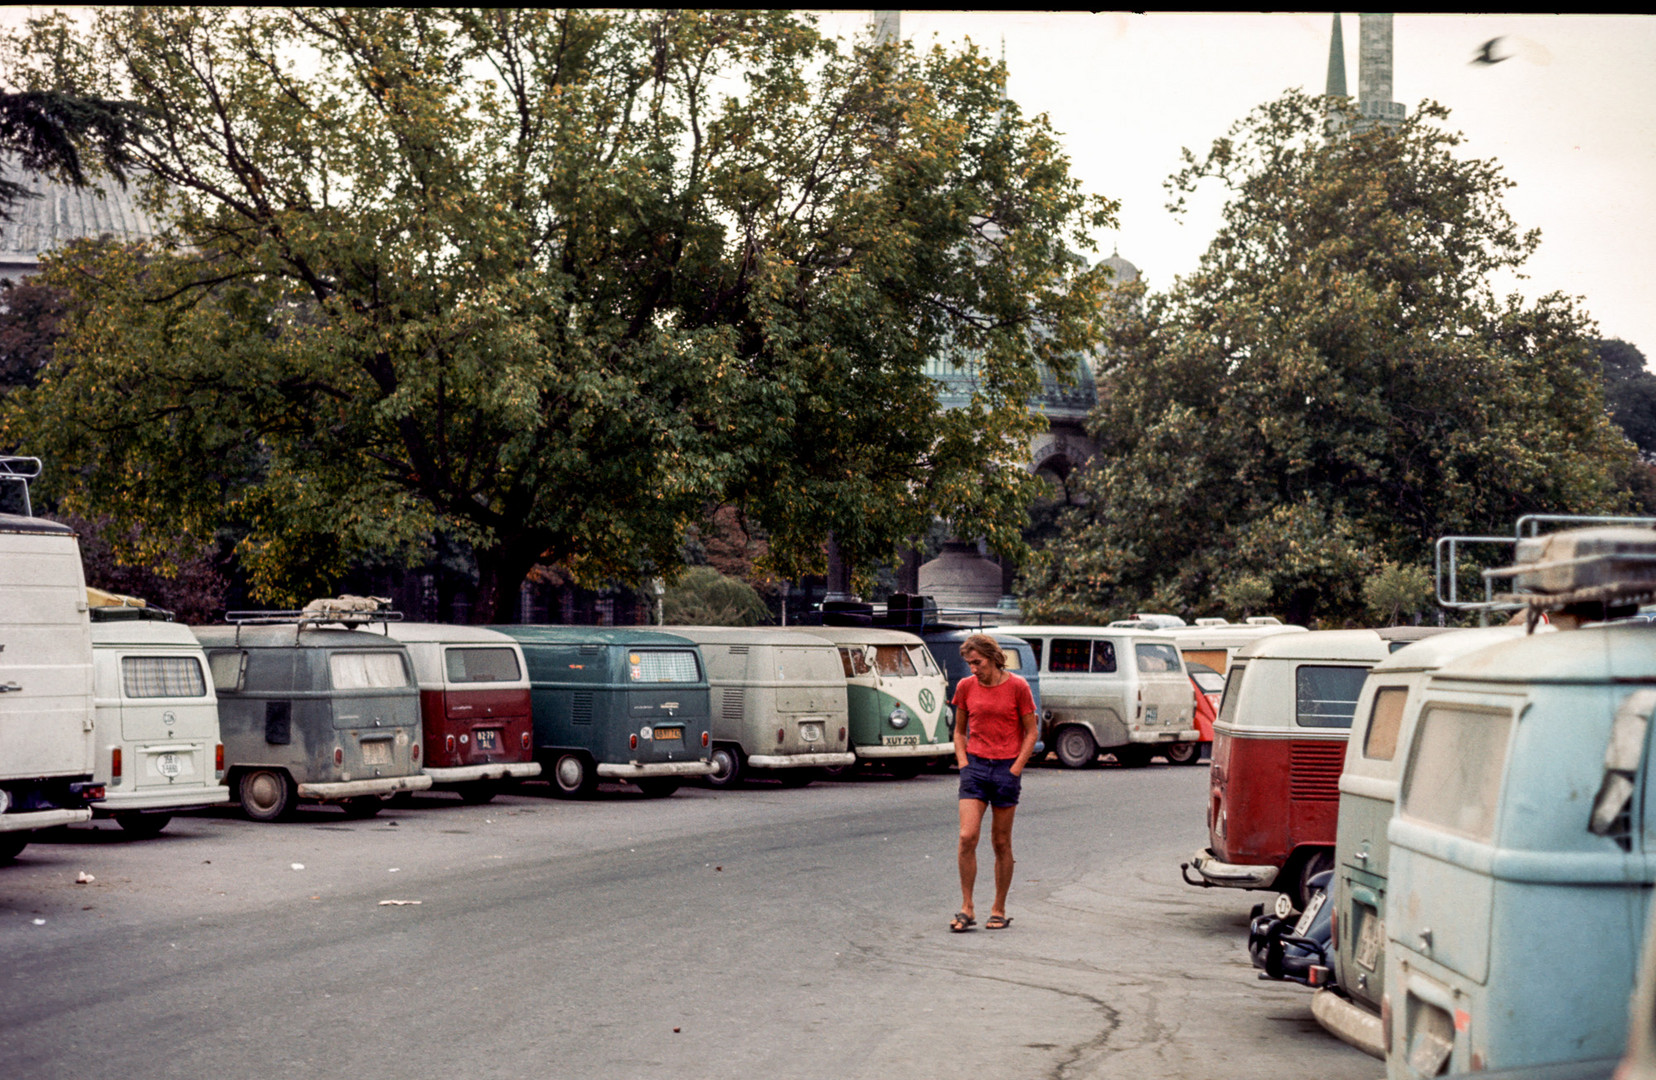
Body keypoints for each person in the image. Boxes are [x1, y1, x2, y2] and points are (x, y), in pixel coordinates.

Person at [949, 633, 1038, 932]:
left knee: (1001, 842)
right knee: (966, 837)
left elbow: (1031, 732)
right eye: (969, 663)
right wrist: (963, 762)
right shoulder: (965, 687)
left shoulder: (1018, 687)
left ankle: (998, 908)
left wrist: (1015, 768)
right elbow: (959, 731)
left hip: (1005, 769)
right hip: (974, 767)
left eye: (978, 662)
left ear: (993, 658)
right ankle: (967, 907)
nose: (974, 669)